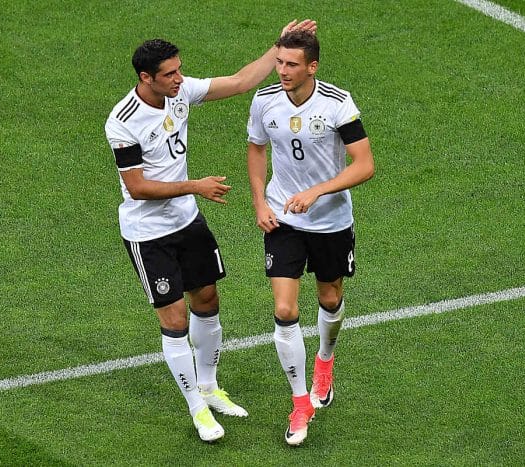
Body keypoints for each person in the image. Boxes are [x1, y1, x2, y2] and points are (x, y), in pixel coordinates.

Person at [104, 20, 317, 443]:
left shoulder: (179, 92)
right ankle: (197, 408)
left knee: (207, 298)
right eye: (169, 74)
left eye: (179, 70)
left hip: (187, 221)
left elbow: (239, 82)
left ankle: (209, 386)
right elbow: (138, 187)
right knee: (175, 318)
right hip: (148, 233)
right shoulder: (123, 122)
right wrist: (195, 186)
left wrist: (277, 48)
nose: (179, 79)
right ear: (146, 77)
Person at [246, 30, 375, 446]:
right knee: (284, 309)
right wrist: (260, 204)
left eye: (291, 64)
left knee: (330, 299)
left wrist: (318, 191)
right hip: (283, 218)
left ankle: (324, 361)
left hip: (330, 221)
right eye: (280, 62)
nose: (282, 70)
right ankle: (300, 403)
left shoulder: (339, 104)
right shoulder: (264, 100)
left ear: (312, 66)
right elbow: (256, 148)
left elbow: (364, 165)